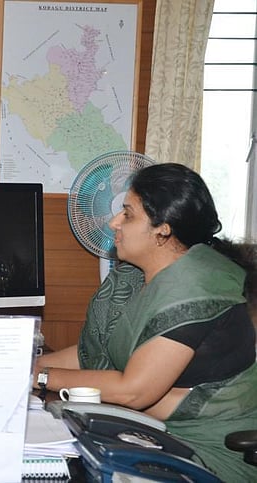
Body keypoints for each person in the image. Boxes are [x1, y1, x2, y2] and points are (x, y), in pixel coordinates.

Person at [32, 163, 257, 481]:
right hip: (156, 433)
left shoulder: (195, 289)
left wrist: (41, 377)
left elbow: (133, 392)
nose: (114, 222)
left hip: (209, 453)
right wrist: (26, 366)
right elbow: (92, 353)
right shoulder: (137, 276)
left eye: (128, 214)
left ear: (162, 229)